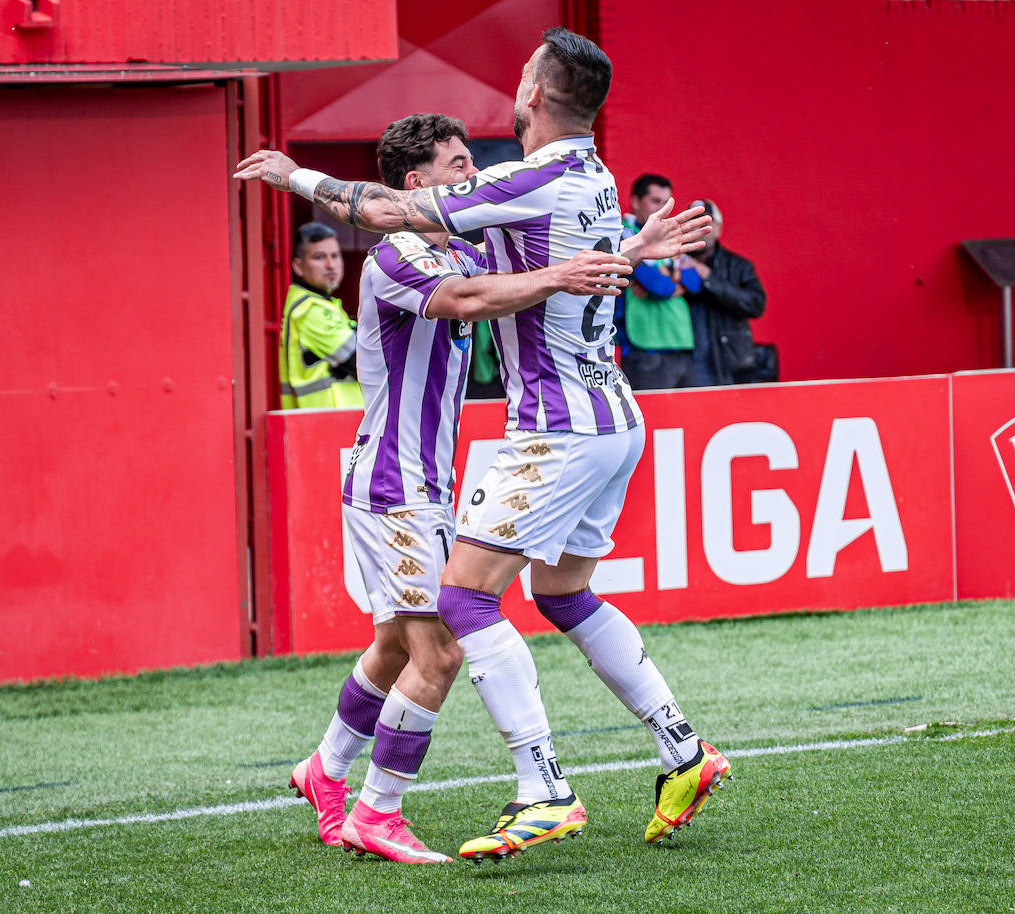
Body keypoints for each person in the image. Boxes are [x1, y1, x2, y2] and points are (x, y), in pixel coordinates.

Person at [236, 27, 730, 863]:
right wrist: (615, 255)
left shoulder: (518, 185)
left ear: (535, 90)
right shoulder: (592, 178)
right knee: (514, 610)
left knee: (453, 615)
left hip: (557, 428)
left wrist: (294, 175)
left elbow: (431, 239)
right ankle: (681, 748)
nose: (471, 174)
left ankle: (540, 790)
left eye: (473, 162)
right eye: (455, 165)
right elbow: (488, 281)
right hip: (590, 424)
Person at [288, 113, 632, 865]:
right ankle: (379, 813)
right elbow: (469, 300)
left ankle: (325, 768)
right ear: (419, 184)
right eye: (458, 163)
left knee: (392, 645)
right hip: (394, 483)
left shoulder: (462, 244)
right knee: (439, 650)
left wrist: (629, 249)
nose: (471, 175)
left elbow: (529, 273)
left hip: (420, 480)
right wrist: (557, 276)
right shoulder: (398, 256)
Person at [677, 198, 768, 385]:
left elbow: (756, 305)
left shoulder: (738, 266)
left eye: (706, 224)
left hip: (730, 364)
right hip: (686, 362)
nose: (699, 230)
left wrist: (709, 278)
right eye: (693, 224)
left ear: (718, 228)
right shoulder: (673, 262)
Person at [619, 174, 696, 389]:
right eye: (655, 201)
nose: (662, 209)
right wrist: (677, 283)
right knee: (655, 420)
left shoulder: (669, 234)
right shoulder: (623, 235)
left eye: (666, 203)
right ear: (635, 202)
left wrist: (671, 278)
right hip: (645, 347)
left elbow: (697, 282)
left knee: (691, 419)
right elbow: (658, 287)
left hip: (681, 343)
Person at [279, 223, 364, 409]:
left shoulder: (318, 304)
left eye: (334, 256)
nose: (330, 265)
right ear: (298, 266)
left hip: (328, 419)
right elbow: (365, 361)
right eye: (319, 257)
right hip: (325, 420)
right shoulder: (309, 310)